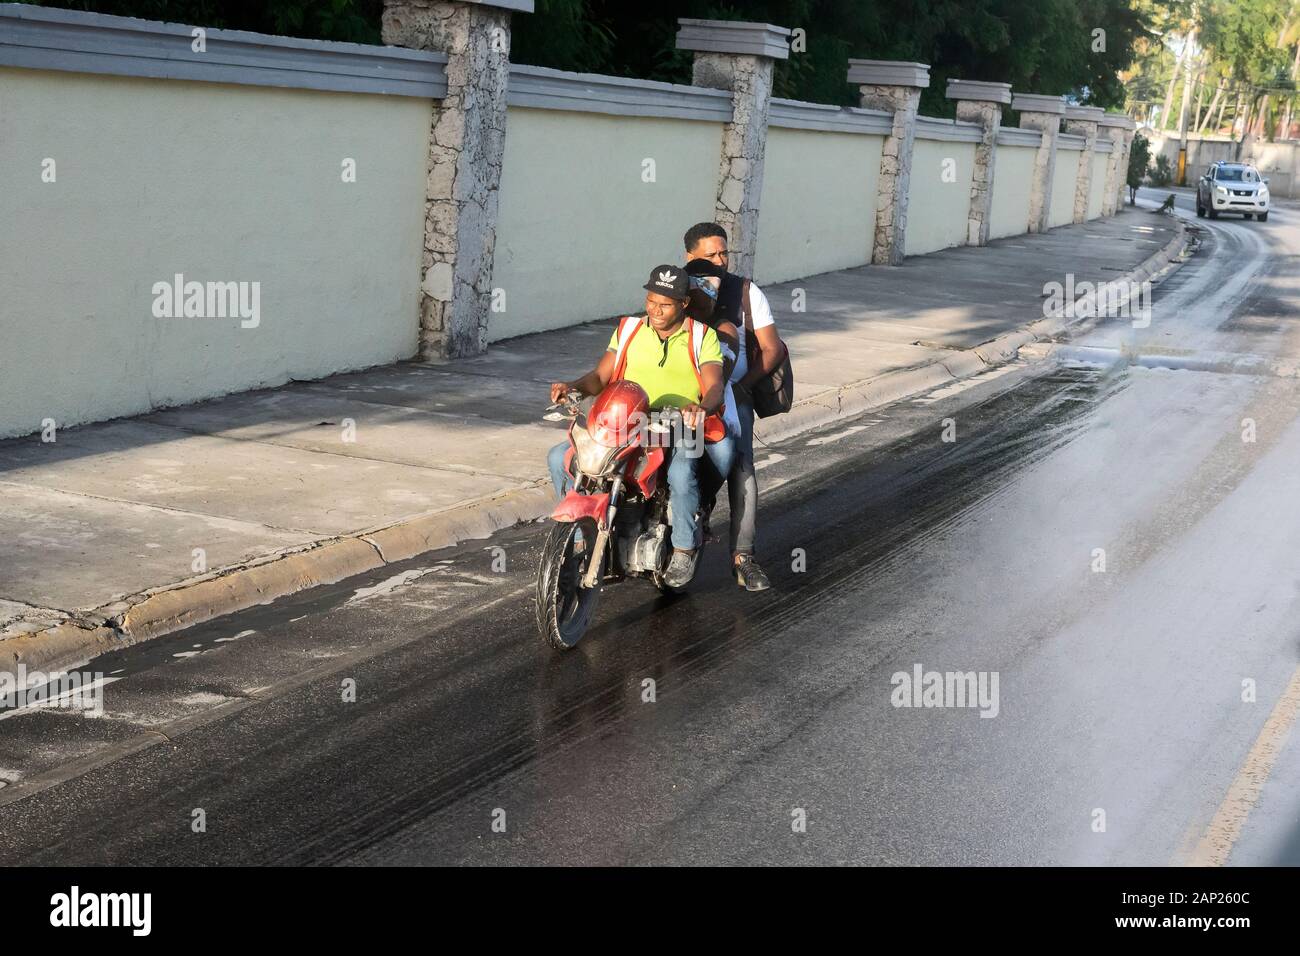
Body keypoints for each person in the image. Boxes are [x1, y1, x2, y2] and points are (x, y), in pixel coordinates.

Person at [548, 265, 735, 588]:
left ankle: (683, 548)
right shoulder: (629, 329)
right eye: (651, 301)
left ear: (684, 304)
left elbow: (715, 385)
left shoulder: (702, 336)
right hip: (628, 418)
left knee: (681, 472)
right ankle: (579, 531)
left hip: (681, 422)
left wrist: (701, 407)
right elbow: (600, 378)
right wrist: (573, 387)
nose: (655, 310)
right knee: (559, 456)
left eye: (665, 304)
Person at [683, 222, 783, 592]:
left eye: (724, 252)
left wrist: (739, 387)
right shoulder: (676, 288)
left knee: (741, 463)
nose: (721, 261)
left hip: (732, 391)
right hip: (682, 394)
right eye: (712, 255)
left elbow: (772, 349)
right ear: (689, 257)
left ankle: (744, 557)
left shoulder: (744, 292)